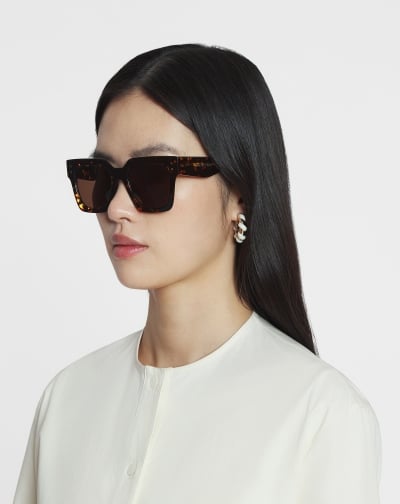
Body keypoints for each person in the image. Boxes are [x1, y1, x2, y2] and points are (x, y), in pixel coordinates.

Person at [14, 43, 381, 503]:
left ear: (239, 193)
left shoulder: (320, 414)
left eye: (153, 177)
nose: (117, 208)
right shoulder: (68, 399)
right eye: (100, 177)